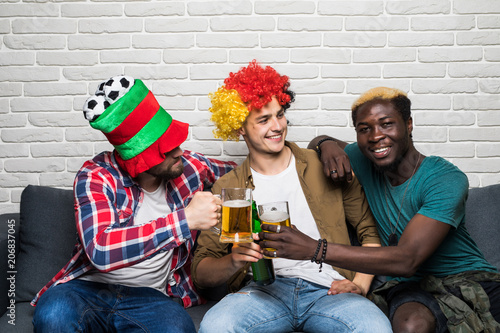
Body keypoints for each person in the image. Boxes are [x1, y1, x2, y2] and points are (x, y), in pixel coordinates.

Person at [260, 87, 500, 333]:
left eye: (386, 124)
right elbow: (319, 143)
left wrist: (315, 249)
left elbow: (408, 259)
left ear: (408, 124)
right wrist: (326, 144)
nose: (376, 136)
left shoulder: (445, 178)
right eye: (365, 129)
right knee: (410, 324)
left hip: (468, 278)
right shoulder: (363, 158)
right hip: (410, 287)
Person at [192, 61, 392, 333]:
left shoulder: (323, 164)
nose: (277, 126)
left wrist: (360, 284)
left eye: (280, 114)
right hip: (263, 292)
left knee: (375, 328)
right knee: (215, 327)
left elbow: (369, 233)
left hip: (330, 289)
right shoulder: (230, 188)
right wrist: (235, 260)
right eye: (263, 119)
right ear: (240, 127)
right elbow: (201, 273)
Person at [31, 76, 237, 332]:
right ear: (138, 157)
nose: (179, 152)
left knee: (178, 327)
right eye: (166, 149)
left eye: (176, 141)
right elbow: (100, 251)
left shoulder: (187, 167)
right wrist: (185, 220)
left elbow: (244, 173)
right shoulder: (96, 176)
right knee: (53, 314)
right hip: (87, 289)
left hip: (150, 298)